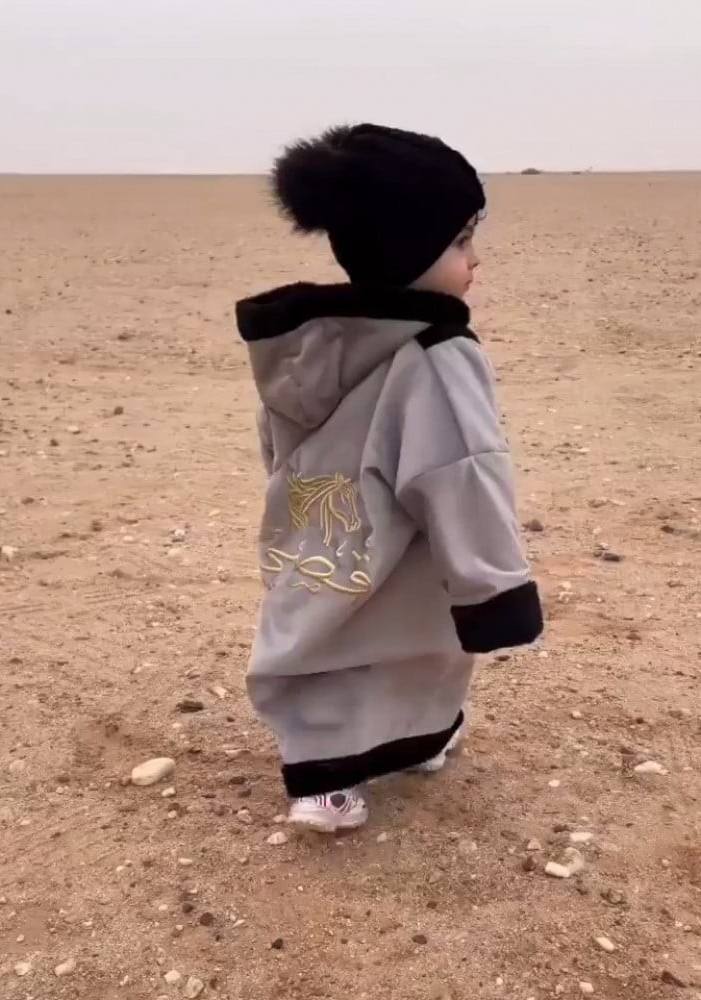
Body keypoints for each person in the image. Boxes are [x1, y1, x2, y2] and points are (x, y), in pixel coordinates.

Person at [235, 124, 543, 832]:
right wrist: (495, 588)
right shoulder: (437, 352)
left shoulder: (306, 345)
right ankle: (378, 757)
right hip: (402, 532)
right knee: (417, 629)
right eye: (461, 240)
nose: (475, 259)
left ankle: (330, 774)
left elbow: (276, 441)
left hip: (319, 520)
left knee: (316, 630)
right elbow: (465, 470)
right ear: (410, 246)